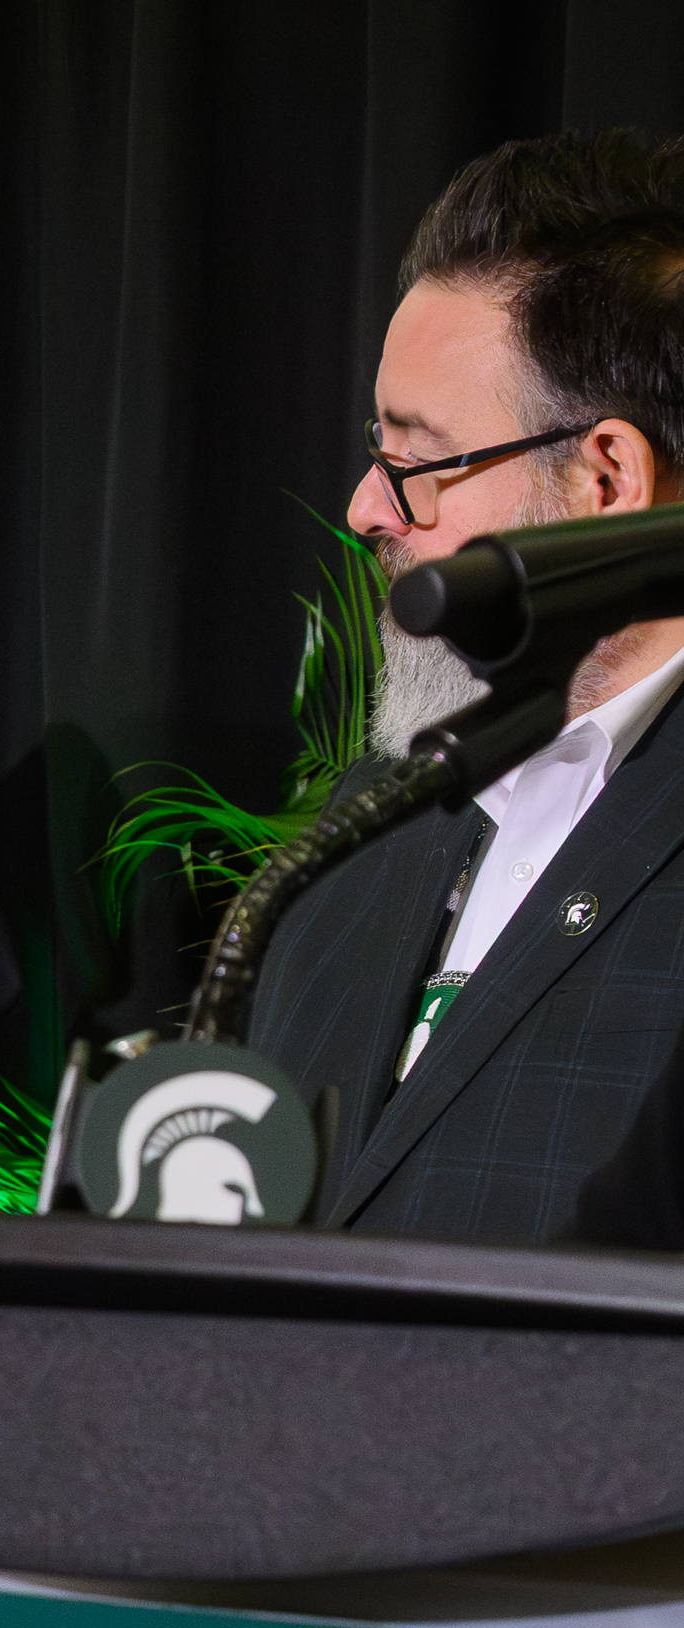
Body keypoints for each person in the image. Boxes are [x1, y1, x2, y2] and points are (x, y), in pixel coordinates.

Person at [250, 129, 684, 1239]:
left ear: (604, 479)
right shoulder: (365, 829)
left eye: (418, 459)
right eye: (374, 445)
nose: (366, 508)